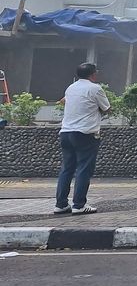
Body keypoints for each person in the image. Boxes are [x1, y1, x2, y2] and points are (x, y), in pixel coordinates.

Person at [55, 62, 111, 215]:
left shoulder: (70, 88)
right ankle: (79, 205)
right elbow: (107, 109)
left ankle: (60, 204)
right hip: (85, 133)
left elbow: (63, 102)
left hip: (66, 132)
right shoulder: (95, 88)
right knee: (83, 169)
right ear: (93, 74)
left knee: (67, 169)